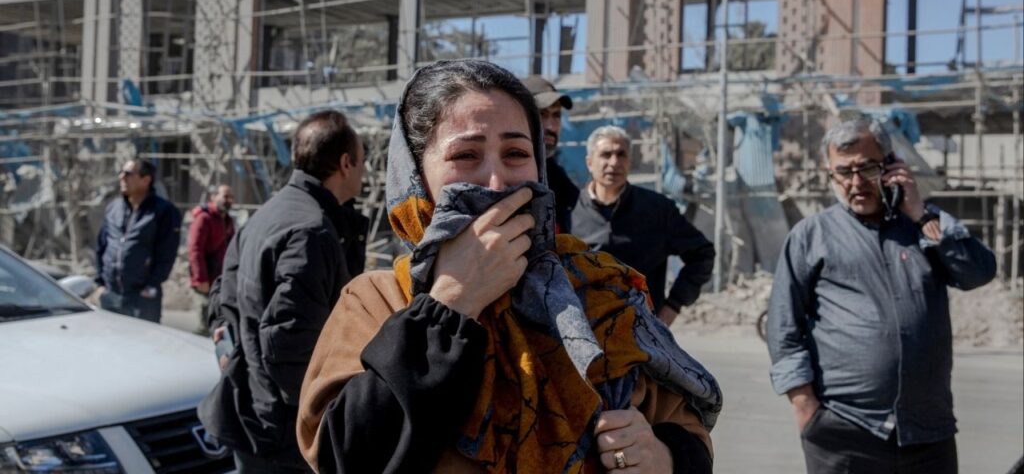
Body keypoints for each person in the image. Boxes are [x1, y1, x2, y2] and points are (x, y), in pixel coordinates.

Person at [296, 60, 721, 474]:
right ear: (416, 176)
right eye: (466, 154)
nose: (496, 182)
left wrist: (664, 457)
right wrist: (450, 303)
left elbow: (686, 427)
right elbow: (342, 455)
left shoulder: (597, 290)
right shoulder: (378, 301)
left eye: (516, 153)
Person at [766, 115, 996, 474]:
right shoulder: (811, 235)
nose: (856, 182)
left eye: (867, 168)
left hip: (927, 431)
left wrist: (919, 213)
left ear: (890, 165)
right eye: (843, 172)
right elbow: (783, 328)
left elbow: (978, 273)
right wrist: (805, 410)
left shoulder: (925, 224)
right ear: (831, 174)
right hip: (843, 430)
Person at [200, 110, 369, 474]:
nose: (365, 172)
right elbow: (288, 340)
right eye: (362, 162)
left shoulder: (267, 214)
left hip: (249, 414)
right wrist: (320, 416)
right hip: (282, 432)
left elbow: (220, 298)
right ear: (345, 163)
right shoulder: (310, 230)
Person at [572, 126, 715, 326]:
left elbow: (703, 253)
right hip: (585, 334)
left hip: (641, 337)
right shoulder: (569, 211)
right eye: (606, 154)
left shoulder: (657, 210)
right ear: (589, 162)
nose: (614, 162)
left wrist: (672, 307)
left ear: (629, 162)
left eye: (621, 154)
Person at [95, 158, 182, 323]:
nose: (122, 177)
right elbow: (101, 245)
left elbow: (166, 254)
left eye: (128, 174)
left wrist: (151, 285)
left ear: (146, 180)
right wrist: (100, 283)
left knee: (142, 346)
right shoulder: (114, 207)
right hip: (110, 295)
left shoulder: (163, 211)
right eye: (121, 173)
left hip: (141, 299)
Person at [521, 75, 579, 234]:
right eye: (542, 114)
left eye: (556, 115)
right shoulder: (499, 179)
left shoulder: (560, 182)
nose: (551, 126)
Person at [187, 184, 235, 335]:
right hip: (206, 281)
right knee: (204, 324)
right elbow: (195, 250)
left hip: (220, 280)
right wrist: (200, 279)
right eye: (225, 196)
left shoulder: (227, 220)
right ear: (213, 197)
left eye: (231, 197)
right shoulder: (204, 219)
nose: (228, 200)